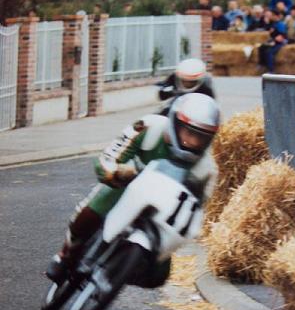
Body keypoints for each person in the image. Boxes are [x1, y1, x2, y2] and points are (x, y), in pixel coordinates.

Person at [46, 93, 220, 288]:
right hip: (127, 186)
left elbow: (197, 208)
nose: (192, 142)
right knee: (91, 212)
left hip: (162, 209)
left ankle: (121, 268)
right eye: (188, 132)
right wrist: (114, 173)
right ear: (174, 123)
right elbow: (109, 157)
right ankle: (65, 254)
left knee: (159, 276)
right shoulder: (149, 127)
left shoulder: (207, 169)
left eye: (200, 137)